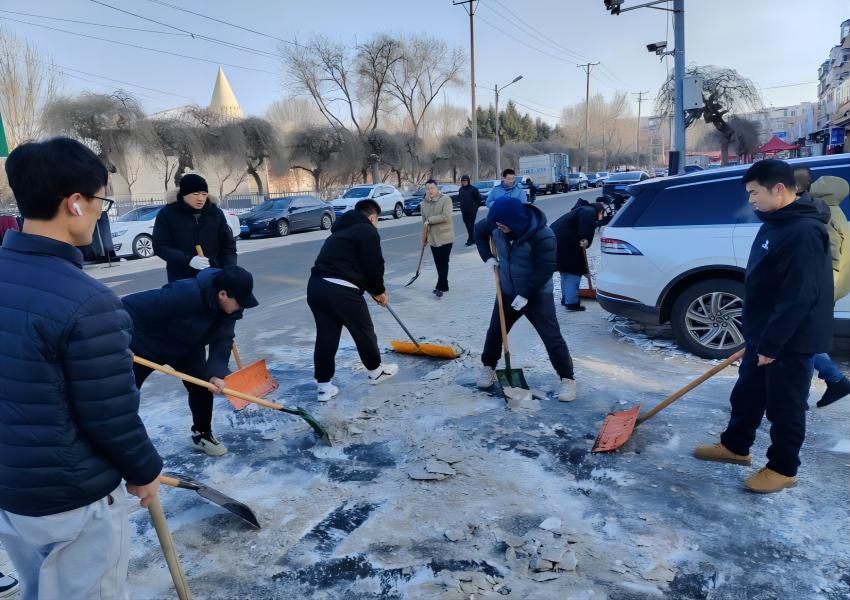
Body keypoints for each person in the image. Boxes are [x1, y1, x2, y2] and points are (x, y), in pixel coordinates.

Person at [0, 137, 162, 599]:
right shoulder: (89, 302)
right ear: (75, 203)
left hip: (12, 489)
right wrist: (144, 470)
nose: (99, 213)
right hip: (72, 499)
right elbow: (109, 415)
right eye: (99, 202)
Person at [693, 159, 832, 494]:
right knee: (748, 394)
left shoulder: (803, 231)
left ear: (779, 189)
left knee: (785, 404)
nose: (750, 200)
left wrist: (771, 344)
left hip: (790, 338)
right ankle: (735, 447)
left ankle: (783, 468)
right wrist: (758, 335)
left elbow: (799, 296)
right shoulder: (776, 221)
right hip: (765, 331)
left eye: (754, 193)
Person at [123, 266, 259, 457]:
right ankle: (124, 444)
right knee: (125, 393)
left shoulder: (230, 310)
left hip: (188, 348)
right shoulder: (183, 294)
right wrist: (124, 342)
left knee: (201, 388)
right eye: (240, 302)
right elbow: (128, 307)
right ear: (223, 294)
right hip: (148, 346)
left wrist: (216, 373)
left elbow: (223, 339)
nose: (241, 307)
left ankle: (202, 435)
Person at [474, 195, 577, 402]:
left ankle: (568, 379)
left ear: (514, 221)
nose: (497, 227)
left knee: (551, 336)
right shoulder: (496, 223)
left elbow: (545, 269)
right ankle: (488, 367)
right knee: (495, 331)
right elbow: (478, 230)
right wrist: (488, 257)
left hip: (537, 294)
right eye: (495, 224)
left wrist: (525, 295)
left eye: (501, 224)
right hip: (507, 290)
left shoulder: (543, 235)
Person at [308, 199, 398, 402]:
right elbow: (374, 265)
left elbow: (353, 267)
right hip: (342, 290)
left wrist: (374, 291)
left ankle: (324, 387)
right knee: (363, 330)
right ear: (373, 218)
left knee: (326, 337)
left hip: (316, 287)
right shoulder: (368, 231)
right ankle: (376, 371)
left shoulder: (340, 232)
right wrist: (379, 291)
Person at [809, 176, 850, 407]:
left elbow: (831, 259)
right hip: (829, 287)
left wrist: (817, 291)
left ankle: (800, 398)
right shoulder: (835, 212)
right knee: (807, 341)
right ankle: (836, 381)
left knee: (803, 343)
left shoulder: (826, 216)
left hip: (822, 289)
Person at [153, 173, 237, 282]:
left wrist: (228, 272)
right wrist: (189, 260)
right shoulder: (167, 214)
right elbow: (160, 246)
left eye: (204, 194)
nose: (201, 198)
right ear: (184, 194)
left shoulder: (215, 213)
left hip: (214, 276)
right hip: (182, 279)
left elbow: (228, 246)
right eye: (196, 194)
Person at [551, 200, 606, 312]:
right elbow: (585, 225)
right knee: (573, 271)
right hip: (566, 241)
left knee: (565, 270)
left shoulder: (581, 210)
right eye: (602, 214)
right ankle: (571, 303)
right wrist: (585, 237)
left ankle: (566, 298)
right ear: (600, 211)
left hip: (555, 238)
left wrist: (585, 270)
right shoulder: (588, 211)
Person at [421, 179, 455, 297]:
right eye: (428, 188)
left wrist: (430, 220)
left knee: (443, 262)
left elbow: (446, 217)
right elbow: (423, 222)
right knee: (438, 262)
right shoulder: (424, 202)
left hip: (445, 236)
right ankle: (444, 285)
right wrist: (424, 237)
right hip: (432, 238)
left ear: (437, 188)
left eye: (432, 188)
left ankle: (439, 287)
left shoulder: (446, 199)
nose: (430, 191)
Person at [458, 174, 482, 246]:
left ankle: (470, 239)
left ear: (468, 181)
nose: (464, 182)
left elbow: (479, 199)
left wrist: (475, 207)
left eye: (465, 181)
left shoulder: (473, 189)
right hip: (464, 211)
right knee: (467, 225)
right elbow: (461, 199)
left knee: (470, 225)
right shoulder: (461, 189)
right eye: (463, 181)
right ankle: (473, 238)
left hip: (472, 211)